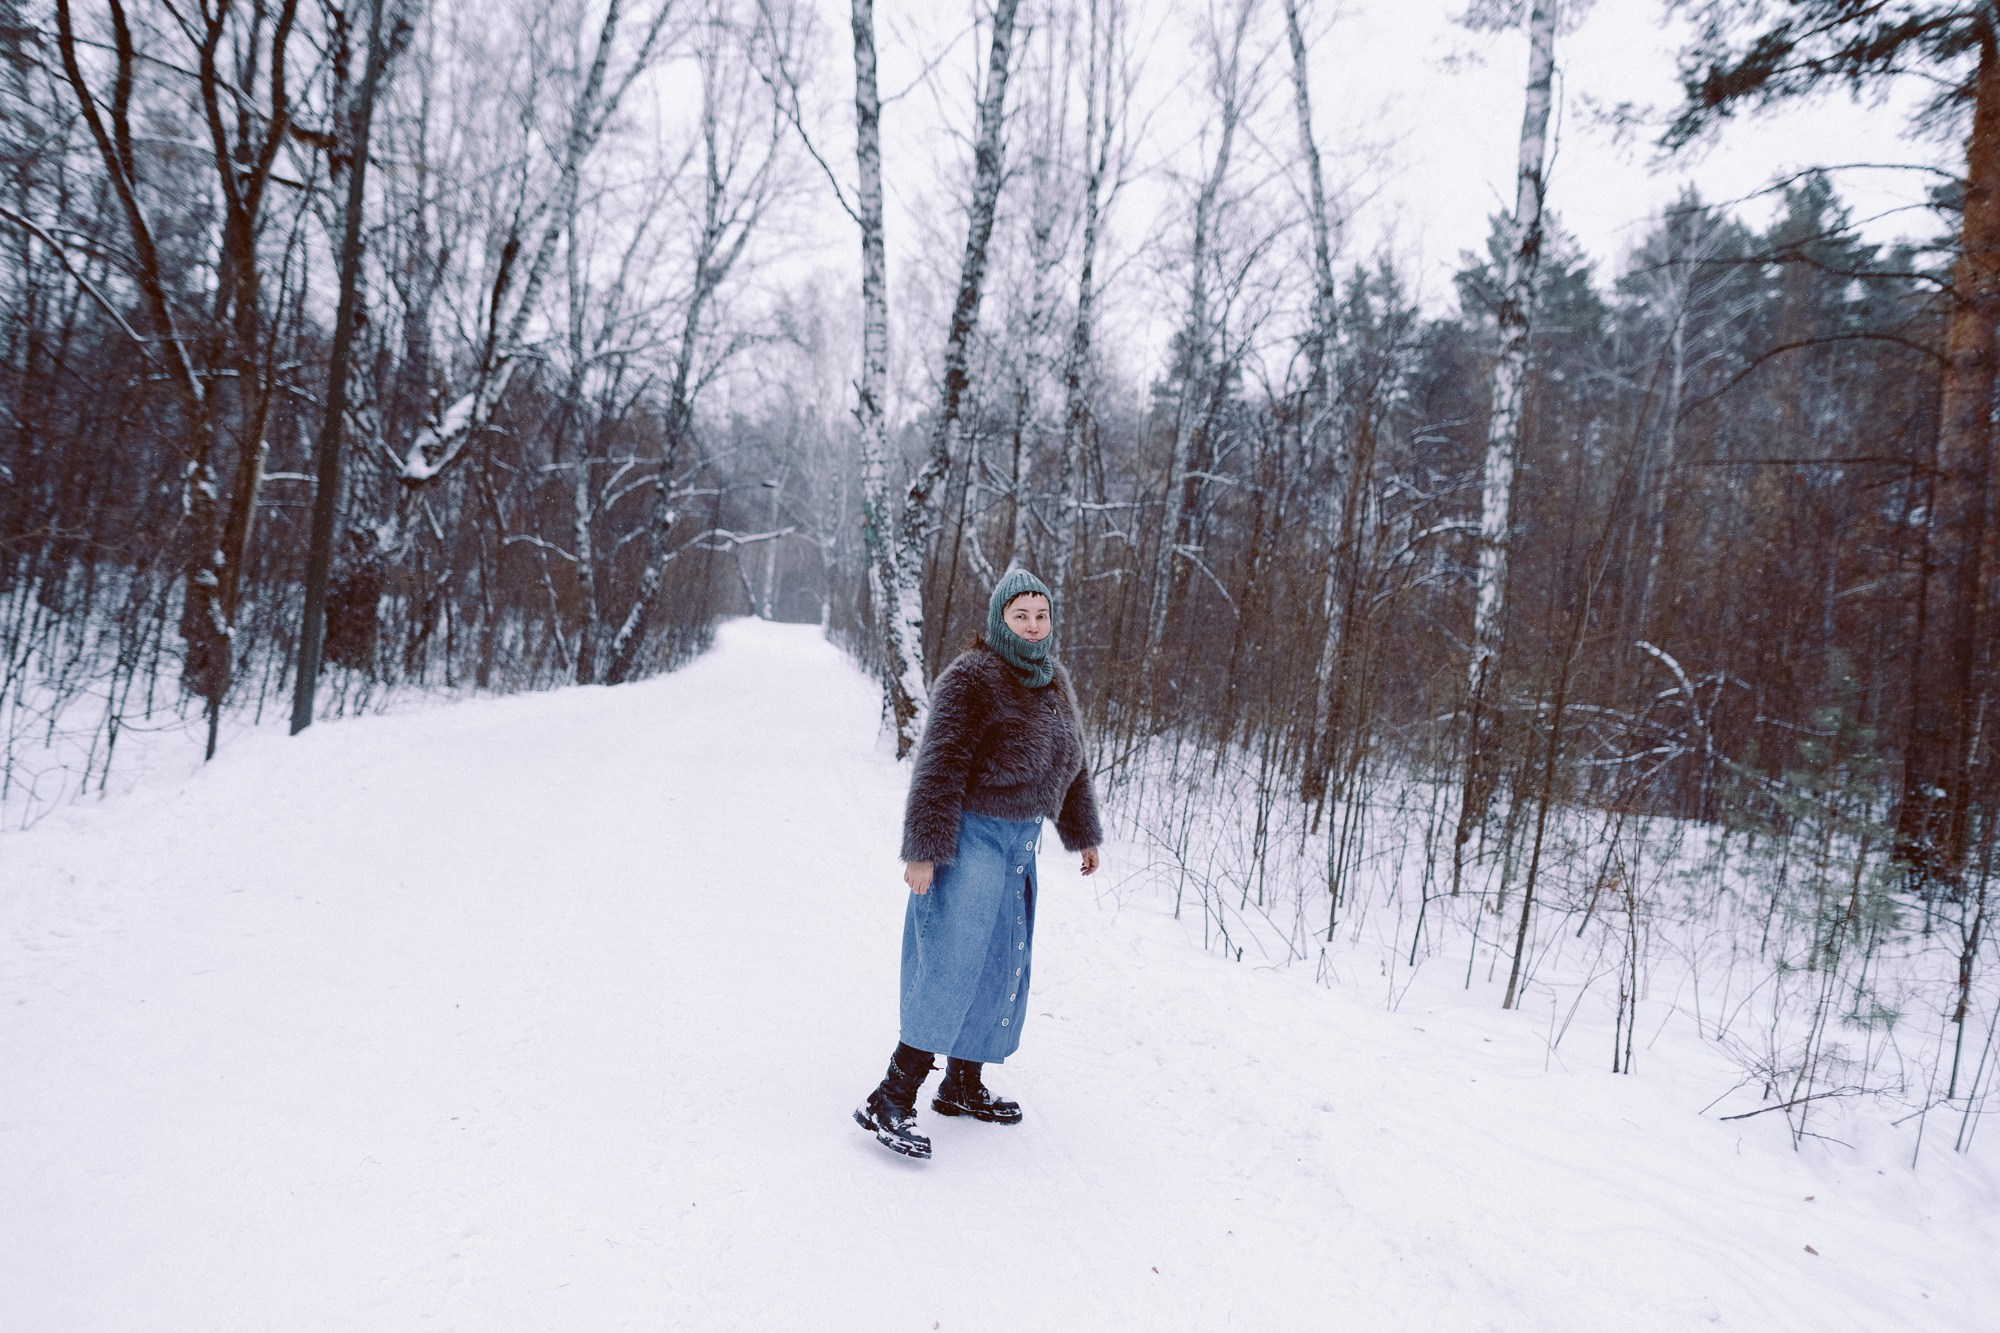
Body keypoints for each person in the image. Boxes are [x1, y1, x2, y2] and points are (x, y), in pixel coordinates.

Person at [853, 568, 1102, 1159]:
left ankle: (963, 1084)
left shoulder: (1054, 680)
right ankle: (891, 1095)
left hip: (1021, 843)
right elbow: (939, 765)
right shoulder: (972, 678)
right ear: (999, 620)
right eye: (1022, 616)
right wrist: (923, 849)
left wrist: (1082, 833)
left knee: (1001, 961)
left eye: (1041, 616)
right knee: (952, 957)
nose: (1034, 626)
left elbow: (1074, 763)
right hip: (972, 838)